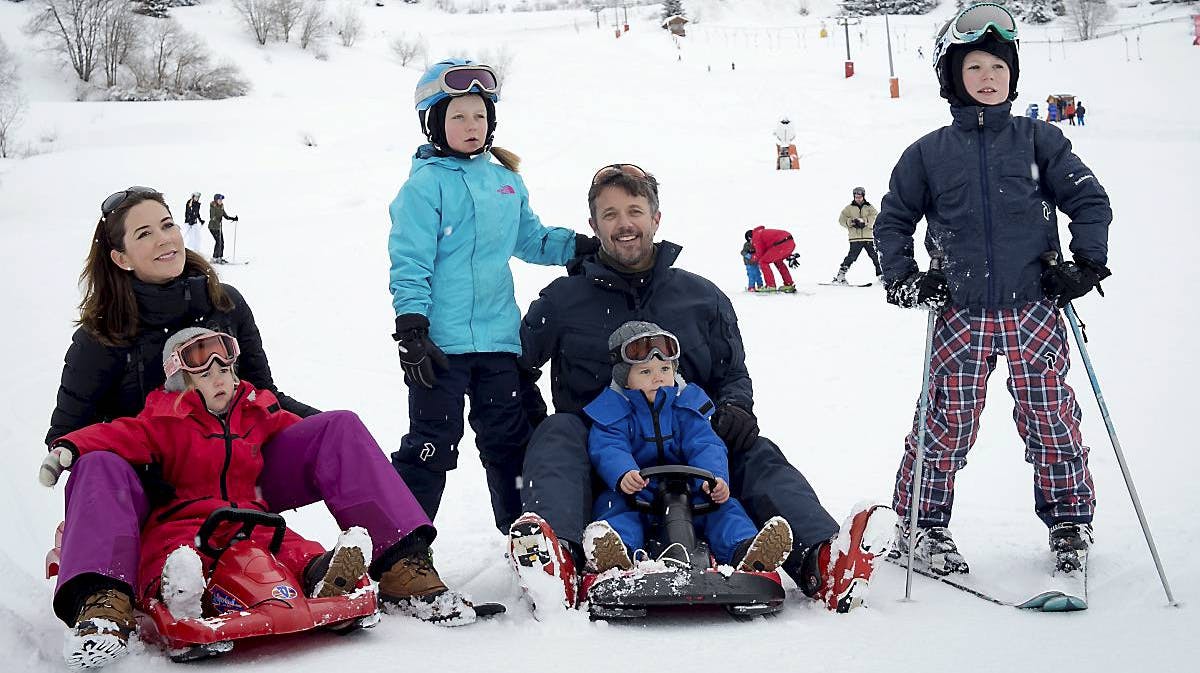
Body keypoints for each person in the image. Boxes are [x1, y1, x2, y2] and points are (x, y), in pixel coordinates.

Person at [42, 188, 469, 669]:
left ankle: (400, 568)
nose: (166, 238)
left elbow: (264, 393)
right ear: (120, 257)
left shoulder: (223, 303)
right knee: (95, 461)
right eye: (145, 233)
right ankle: (102, 602)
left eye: (168, 224)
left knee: (340, 428)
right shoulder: (101, 336)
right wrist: (148, 461)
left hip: (239, 466)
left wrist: (333, 436)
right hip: (152, 485)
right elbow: (68, 434)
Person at [510, 163, 897, 615]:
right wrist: (548, 434)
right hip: (606, 456)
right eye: (610, 214)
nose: (624, 224)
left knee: (757, 450)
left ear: (656, 218)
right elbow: (517, 371)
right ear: (594, 226)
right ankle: (562, 559)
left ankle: (821, 561)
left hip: (695, 451)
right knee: (558, 432)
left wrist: (734, 409)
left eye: (634, 210)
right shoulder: (561, 300)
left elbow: (733, 372)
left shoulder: (701, 297)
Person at [40, 328, 482, 668]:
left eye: (226, 368)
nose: (221, 378)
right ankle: (175, 594)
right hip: (184, 522)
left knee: (290, 550)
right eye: (206, 371)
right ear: (178, 383)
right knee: (173, 557)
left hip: (253, 520)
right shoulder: (164, 419)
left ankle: (326, 574)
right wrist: (70, 447)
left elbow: (297, 431)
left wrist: (340, 440)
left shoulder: (256, 410)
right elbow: (119, 435)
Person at [874, 4, 1112, 578]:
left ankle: (1069, 522)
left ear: (1012, 77)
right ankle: (921, 527)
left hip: (1034, 304)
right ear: (952, 77)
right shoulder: (928, 152)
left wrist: (1086, 264)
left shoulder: (1038, 140)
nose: (988, 77)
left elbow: (1088, 199)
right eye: (975, 66)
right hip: (961, 309)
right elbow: (893, 221)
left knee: (1050, 415)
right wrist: (905, 278)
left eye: (998, 68)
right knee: (945, 419)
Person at [387, 58, 598, 535]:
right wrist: (413, 329)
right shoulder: (424, 186)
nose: (471, 126)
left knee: (509, 442)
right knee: (431, 444)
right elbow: (411, 261)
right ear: (434, 123)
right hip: (441, 345)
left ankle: (525, 534)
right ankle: (401, 547)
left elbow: (531, 239)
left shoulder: (506, 179)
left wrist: (579, 248)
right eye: (458, 116)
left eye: (479, 115)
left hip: (500, 342)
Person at [583, 321, 793, 574]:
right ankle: (616, 555)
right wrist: (623, 472)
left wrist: (713, 478)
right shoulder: (614, 411)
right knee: (615, 509)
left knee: (725, 509)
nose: (658, 377)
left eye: (664, 369)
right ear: (625, 379)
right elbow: (608, 447)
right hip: (638, 491)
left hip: (691, 490)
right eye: (646, 372)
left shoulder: (686, 407)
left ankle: (746, 550)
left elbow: (705, 444)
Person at [831, 186, 882, 284]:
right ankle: (840, 276)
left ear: (863, 196)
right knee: (851, 257)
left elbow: (876, 217)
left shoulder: (869, 207)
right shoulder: (849, 208)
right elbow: (841, 220)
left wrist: (865, 221)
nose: (858, 198)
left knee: (875, 256)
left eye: (859, 196)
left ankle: (881, 276)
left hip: (868, 237)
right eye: (856, 196)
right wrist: (851, 222)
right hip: (855, 238)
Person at [747, 225, 797, 292]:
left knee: (763, 262)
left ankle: (770, 285)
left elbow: (759, 253)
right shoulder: (762, 233)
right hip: (789, 242)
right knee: (778, 261)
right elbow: (768, 249)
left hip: (781, 243)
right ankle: (788, 284)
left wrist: (751, 258)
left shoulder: (756, 236)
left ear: (750, 238)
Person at [207, 193, 237, 264]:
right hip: (213, 227)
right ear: (216, 200)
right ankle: (215, 258)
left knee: (222, 242)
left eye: (221, 199)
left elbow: (225, 216)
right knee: (218, 242)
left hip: (218, 227)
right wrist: (217, 220)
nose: (220, 201)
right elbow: (212, 217)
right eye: (219, 199)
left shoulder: (221, 206)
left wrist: (232, 218)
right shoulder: (213, 206)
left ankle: (220, 257)